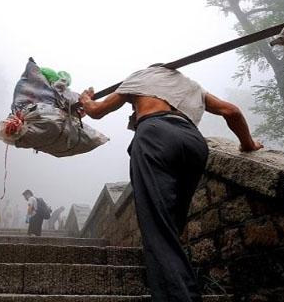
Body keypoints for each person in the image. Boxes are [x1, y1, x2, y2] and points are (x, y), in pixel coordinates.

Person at [78, 65, 263, 302]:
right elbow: (231, 111)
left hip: (154, 135)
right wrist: (248, 144)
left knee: (158, 227)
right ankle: (179, 282)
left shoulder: (139, 78)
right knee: (172, 225)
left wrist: (85, 98)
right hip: (193, 143)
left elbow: (96, 111)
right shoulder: (192, 87)